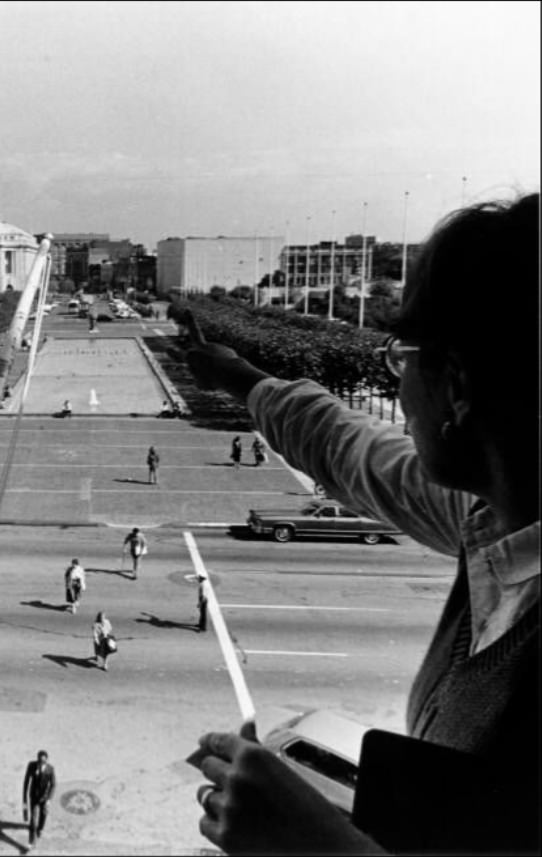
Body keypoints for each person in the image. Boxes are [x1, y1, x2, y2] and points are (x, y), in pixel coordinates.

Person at [184, 194, 539, 854]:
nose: (395, 387)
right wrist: (248, 383)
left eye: (402, 356)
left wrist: (313, 840)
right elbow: (361, 455)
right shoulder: (492, 520)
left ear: (457, 385)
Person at [22, 750, 56, 849]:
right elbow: (26, 781)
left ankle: (40, 828)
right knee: (33, 819)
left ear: (46, 760)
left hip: (45, 797)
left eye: (43, 761)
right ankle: (31, 841)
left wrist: (49, 799)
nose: (41, 763)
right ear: (37, 759)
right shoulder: (31, 766)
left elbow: (53, 784)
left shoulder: (50, 769)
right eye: (39, 761)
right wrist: (24, 797)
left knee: (43, 815)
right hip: (34, 796)